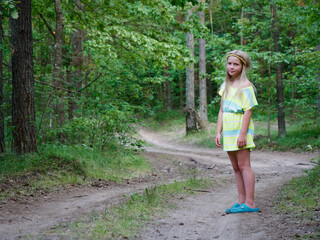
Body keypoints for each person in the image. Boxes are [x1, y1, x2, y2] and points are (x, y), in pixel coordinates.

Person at [215, 50, 260, 214]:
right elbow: (221, 111)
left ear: (243, 66)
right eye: (229, 63)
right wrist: (218, 131)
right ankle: (241, 201)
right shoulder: (225, 85)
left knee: (244, 165)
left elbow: (248, 111)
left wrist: (243, 134)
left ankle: (250, 202)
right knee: (235, 167)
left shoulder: (246, 86)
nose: (231, 67)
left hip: (241, 129)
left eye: (236, 64)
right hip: (228, 130)